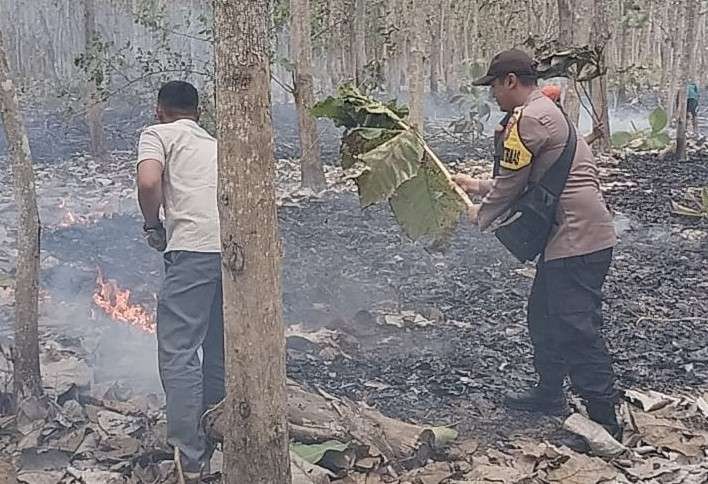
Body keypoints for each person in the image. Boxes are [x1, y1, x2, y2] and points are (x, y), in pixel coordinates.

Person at [451, 49, 622, 439]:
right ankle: (549, 394)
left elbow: (512, 186)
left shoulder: (528, 120)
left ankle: (604, 421)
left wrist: (482, 214)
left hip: (576, 239)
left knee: (576, 327)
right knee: (542, 315)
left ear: (511, 81)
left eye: (494, 85)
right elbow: (530, 181)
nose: (492, 94)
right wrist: (476, 185)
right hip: (578, 235)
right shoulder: (546, 109)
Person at [136, 80, 224, 480]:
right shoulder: (217, 143)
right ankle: (221, 435)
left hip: (190, 252)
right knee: (218, 349)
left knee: (180, 351)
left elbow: (149, 182)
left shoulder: (156, 134)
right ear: (199, 113)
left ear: (159, 110)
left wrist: (153, 225)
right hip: (231, 254)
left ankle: (189, 456)